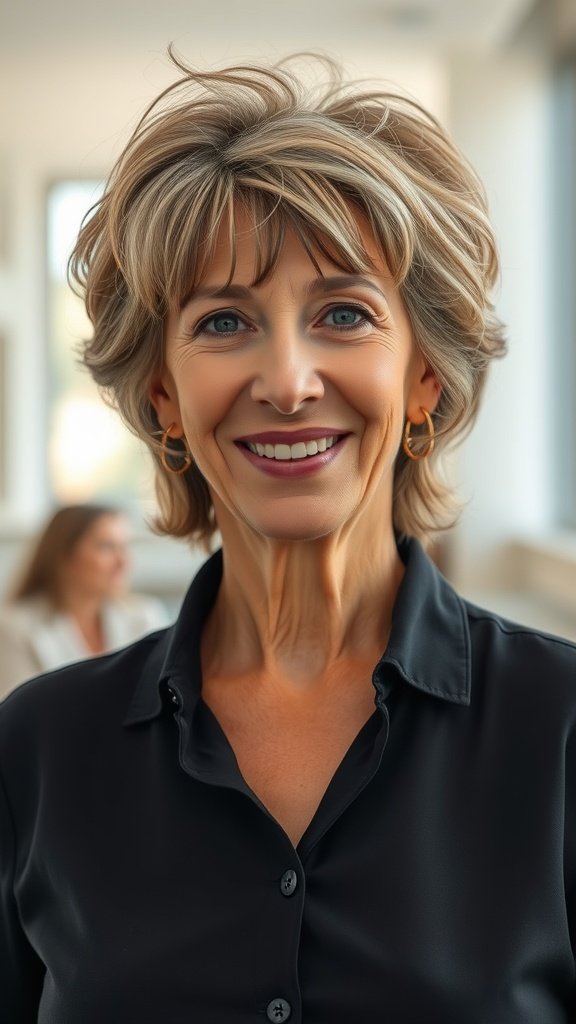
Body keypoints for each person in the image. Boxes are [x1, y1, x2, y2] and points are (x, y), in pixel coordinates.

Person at [1, 52, 575, 1023]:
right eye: (225, 321)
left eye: (343, 314)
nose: (289, 379)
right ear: (164, 398)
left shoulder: (560, 728)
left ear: (424, 379)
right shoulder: (38, 747)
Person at [0, 504, 168, 698]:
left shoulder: (145, 616)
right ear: (64, 556)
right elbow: (17, 715)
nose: (123, 562)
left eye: (125, 547)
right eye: (106, 547)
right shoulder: (14, 629)